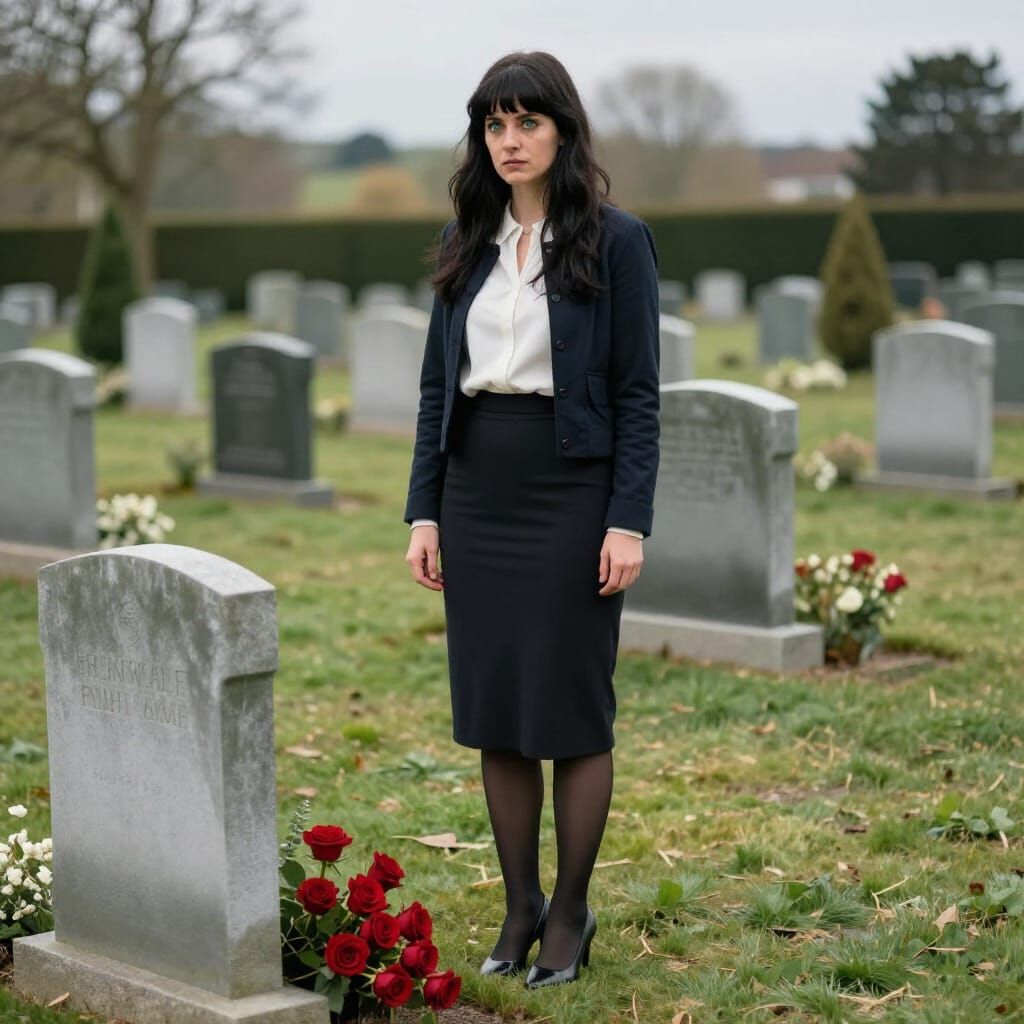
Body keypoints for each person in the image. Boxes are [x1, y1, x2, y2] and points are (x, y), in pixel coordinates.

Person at [403, 50, 659, 989]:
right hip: (476, 494)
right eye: (494, 126)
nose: (509, 142)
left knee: (572, 711)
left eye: (528, 124)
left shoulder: (617, 241)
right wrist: (423, 511)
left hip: (573, 491)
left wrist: (626, 520)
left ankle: (572, 911)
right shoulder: (466, 238)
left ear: (562, 131)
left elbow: (639, 394)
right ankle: (519, 906)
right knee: (497, 710)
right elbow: (438, 389)